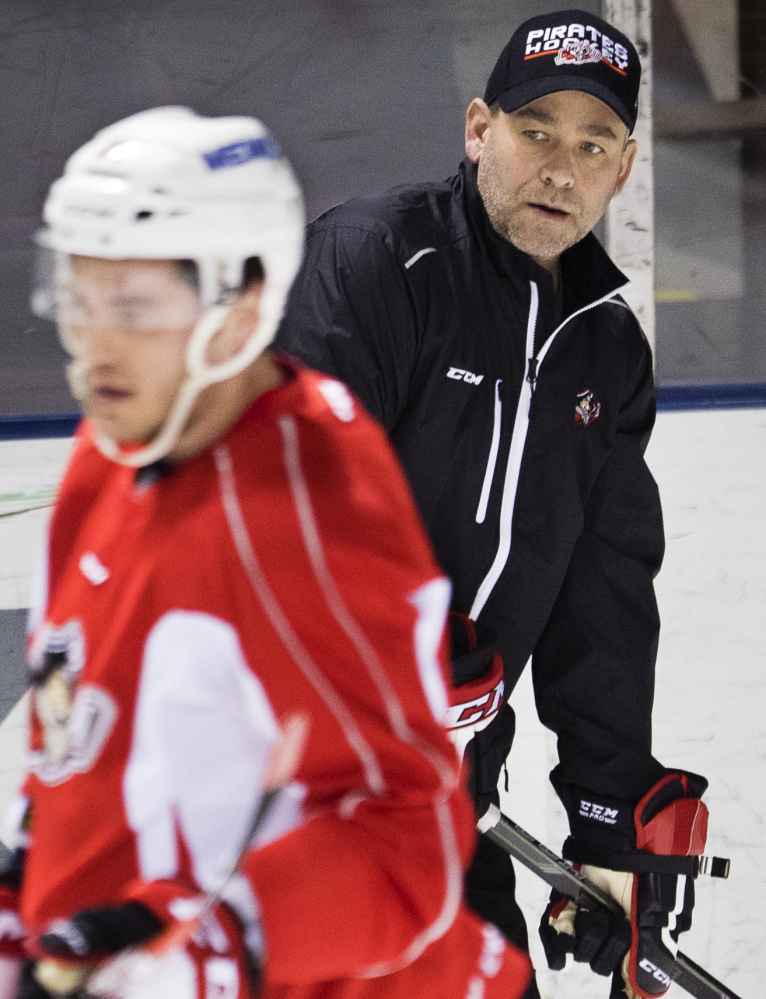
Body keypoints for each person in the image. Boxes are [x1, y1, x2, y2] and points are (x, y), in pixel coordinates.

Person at [0, 107, 533, 999]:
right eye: (78, 299)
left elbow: (407, 842)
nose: (95, 346)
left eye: (133, 307)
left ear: (242, 301)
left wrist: (210, 952)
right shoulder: (111, 451)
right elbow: (79, 726)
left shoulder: (307, 506)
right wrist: (24, 889)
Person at [275, 10, 712, 998]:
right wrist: (394, 646)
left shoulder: (605, 350)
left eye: (592, 144)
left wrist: (610, 812)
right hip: (283, 797)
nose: (561, 169)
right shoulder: (376, 263)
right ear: (479, 130)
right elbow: (292, 499)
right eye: (535, 132)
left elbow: (596, 600)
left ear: (624, 167)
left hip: (444, 802)